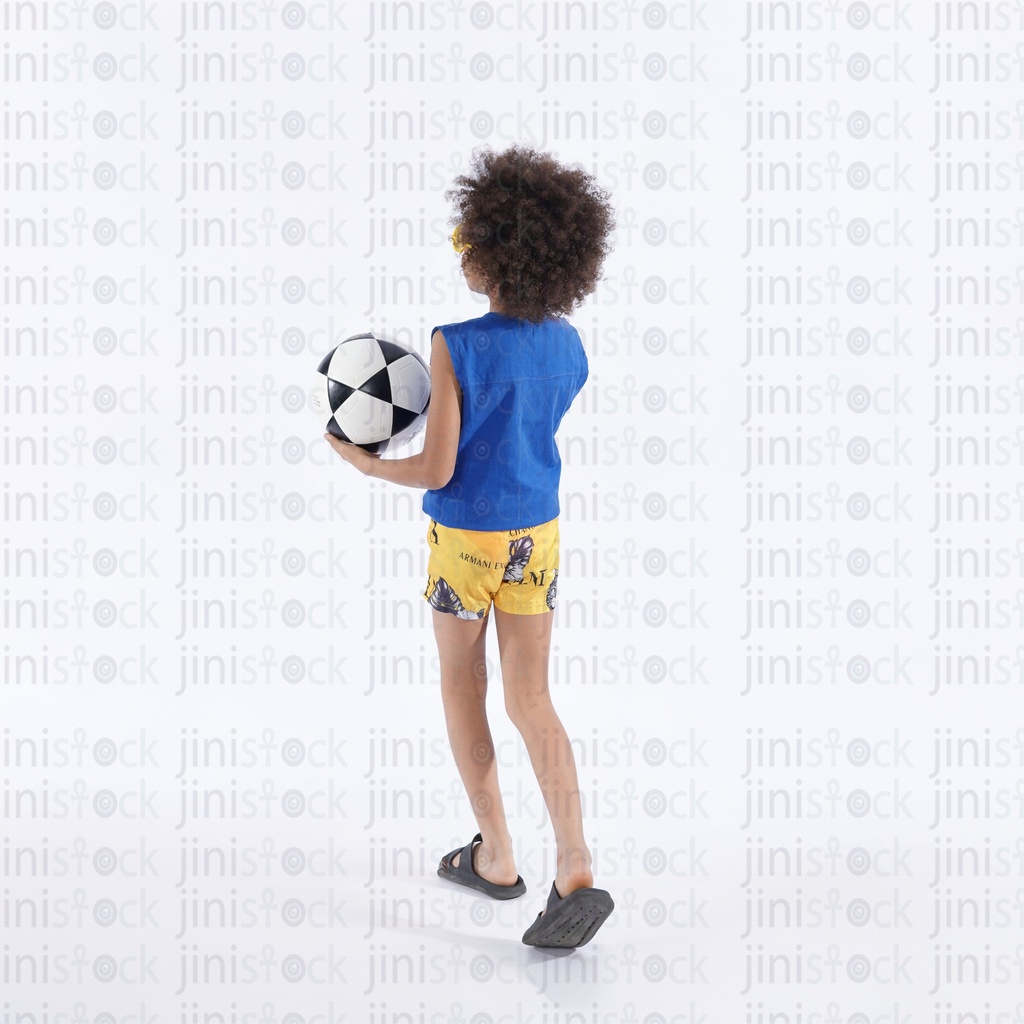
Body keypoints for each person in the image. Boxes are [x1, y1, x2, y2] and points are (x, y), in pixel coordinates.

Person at [325, 143, 616, 948]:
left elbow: (440, 465)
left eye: (466, 242)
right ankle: (577, 864)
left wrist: (361, 459)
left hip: (468, 543)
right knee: (534, 698)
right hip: (541, 536)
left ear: (494, 254)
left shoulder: (456, 340)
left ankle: (494, 855)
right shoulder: (569, 345)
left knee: (464, 686)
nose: (461, 252)